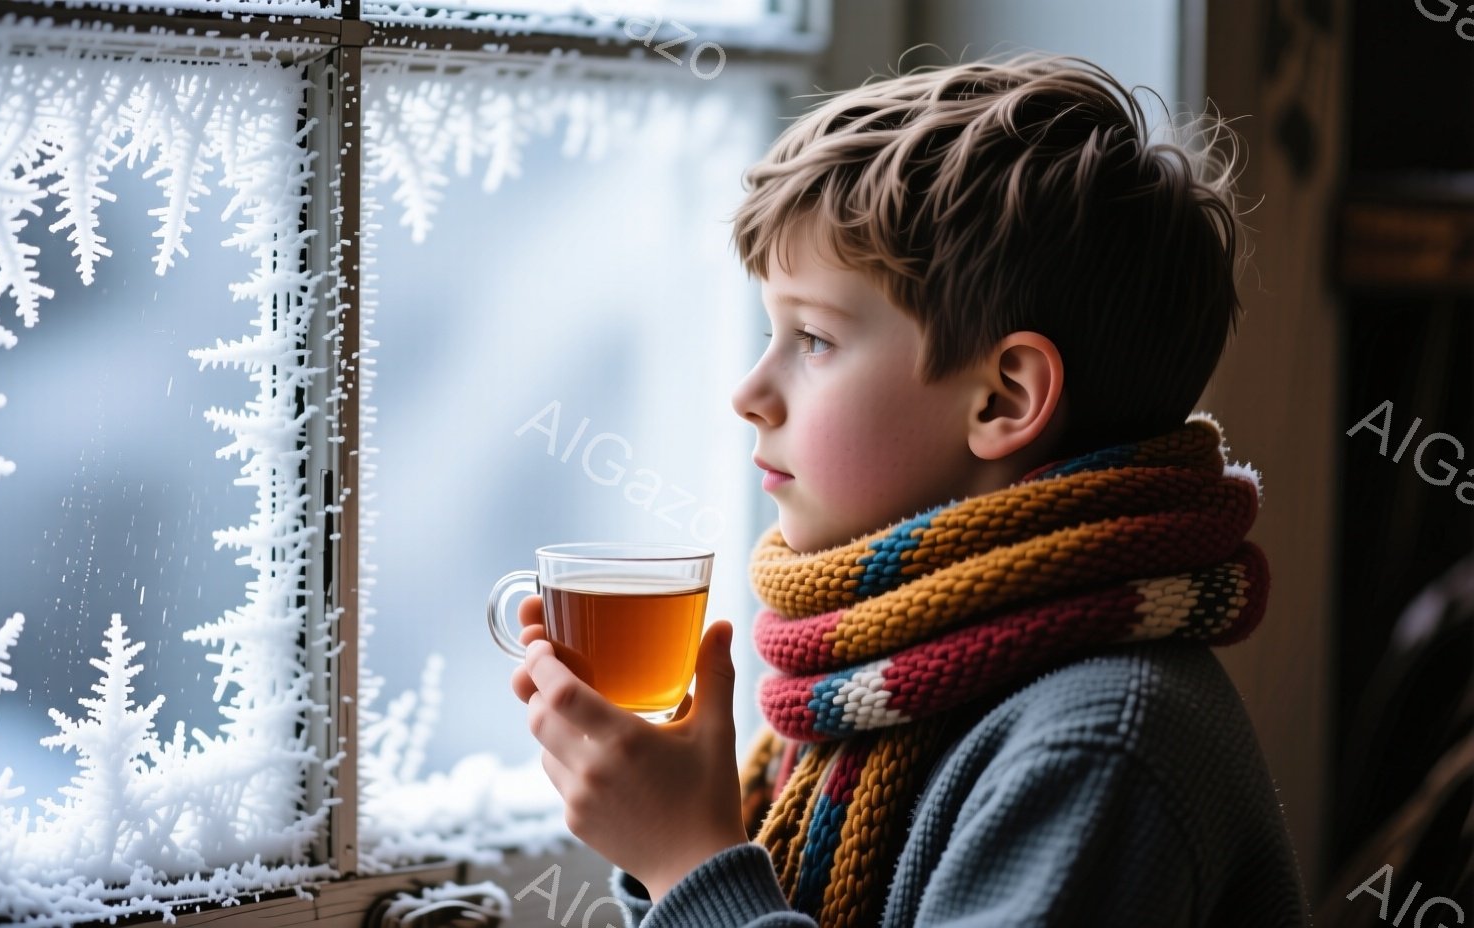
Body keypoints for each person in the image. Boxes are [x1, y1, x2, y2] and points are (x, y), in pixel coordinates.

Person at [507, 50, 1311, 927]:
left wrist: (689, 864)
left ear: (1004, 398)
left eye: (812, 338)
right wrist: (666, 850)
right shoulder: (880, 684)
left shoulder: (1098, 745)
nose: (748, 393)